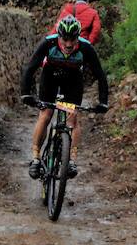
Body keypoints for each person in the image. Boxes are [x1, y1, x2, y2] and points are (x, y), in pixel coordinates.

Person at [21, 15, 109, 180]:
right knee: (46, 114)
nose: (68, 44)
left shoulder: (86, 48)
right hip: (50, 79)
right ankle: (35, 158)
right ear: (59, 35)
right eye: (65, 39)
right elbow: (30, 68)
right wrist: (26, 93)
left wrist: (103, 101)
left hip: (73, 82)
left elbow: (100, 75)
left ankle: (72, 161)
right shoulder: (49, 43)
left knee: (72, 118)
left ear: (78, 37)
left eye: (72, 39)